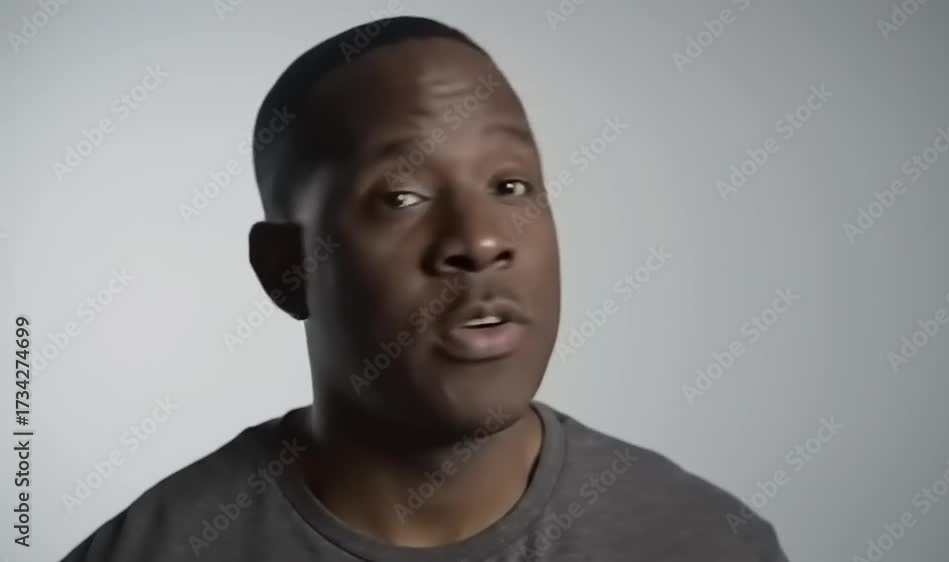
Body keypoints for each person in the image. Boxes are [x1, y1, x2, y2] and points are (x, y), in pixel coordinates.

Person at [62, 16, 789, 561]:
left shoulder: (704, 541)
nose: (481, 240)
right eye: (403, 197)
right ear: (288, 268)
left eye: (510, 186)